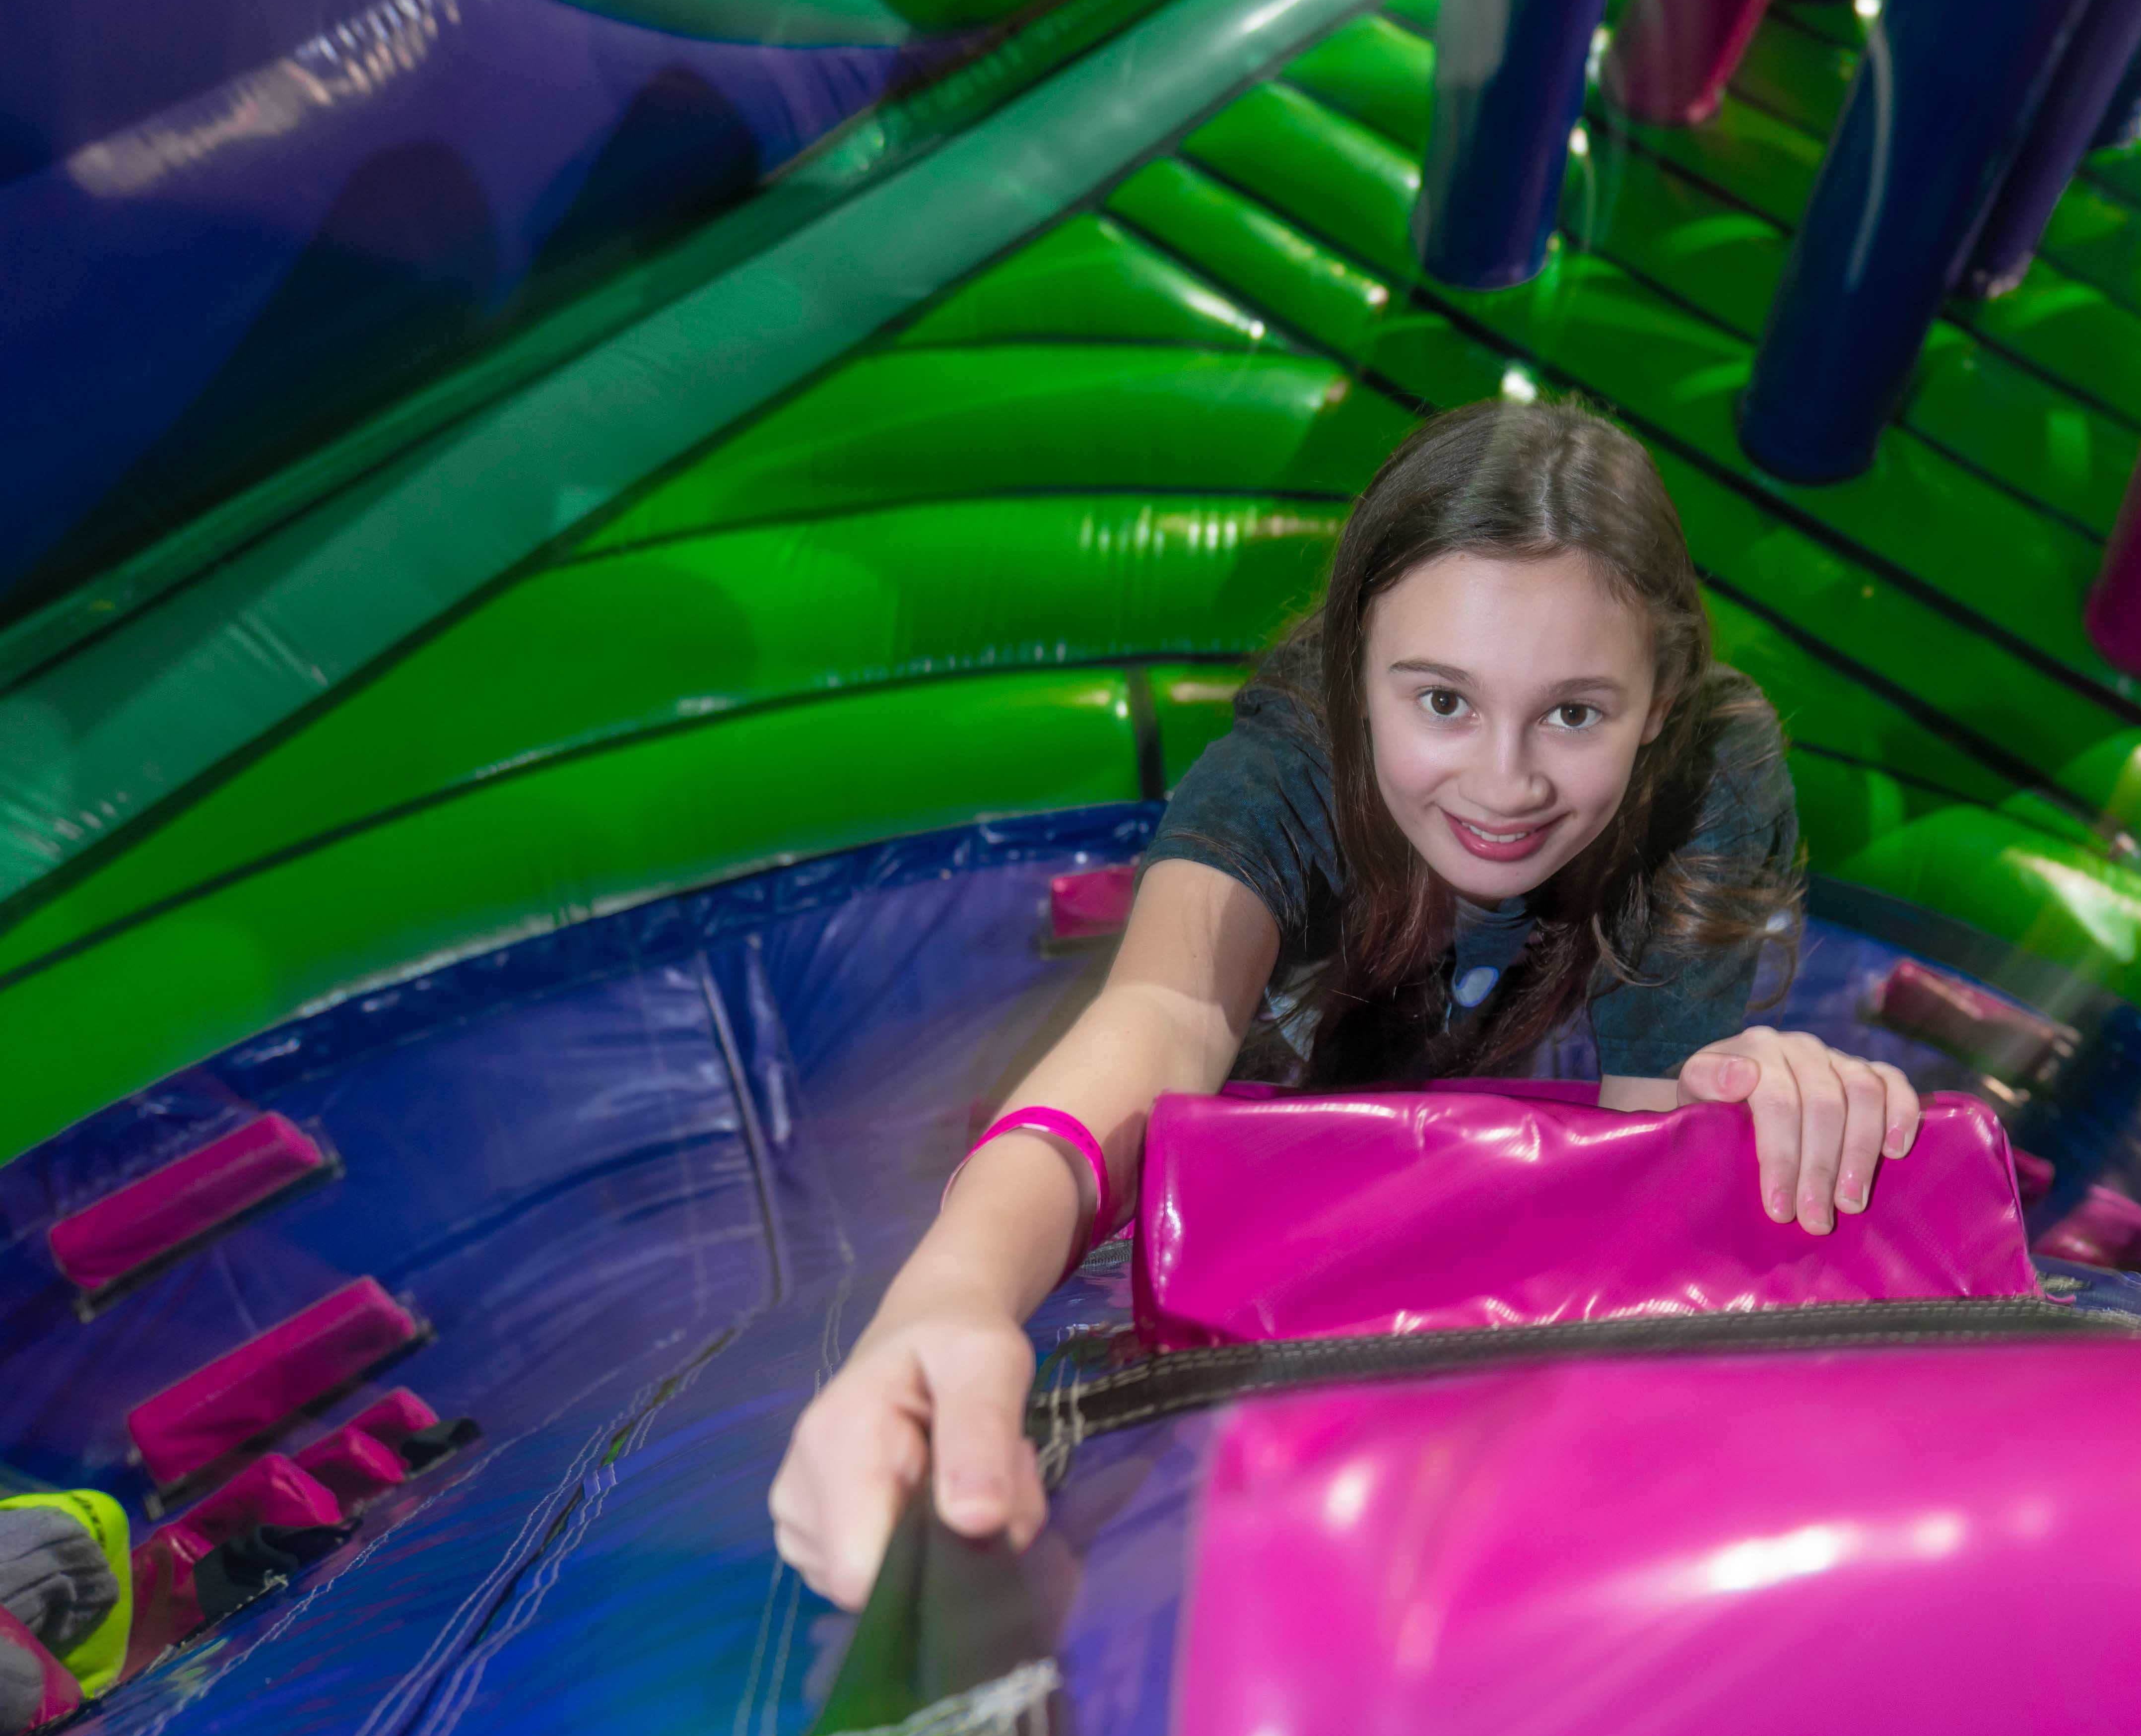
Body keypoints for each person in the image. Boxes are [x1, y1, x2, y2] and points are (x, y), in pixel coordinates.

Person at [769, 399, 1926, 1607]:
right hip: (1283, 1049)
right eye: (1441, 701)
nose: (1505, 778)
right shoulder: (1294, 769)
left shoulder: (1704, 775)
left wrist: (1742, 1093)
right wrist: (948, 1297)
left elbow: (1639, 1156)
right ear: (1357, 669)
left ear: (1658, 701)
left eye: (1575, 713)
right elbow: (1161, 1019)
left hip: (1464, 1042)